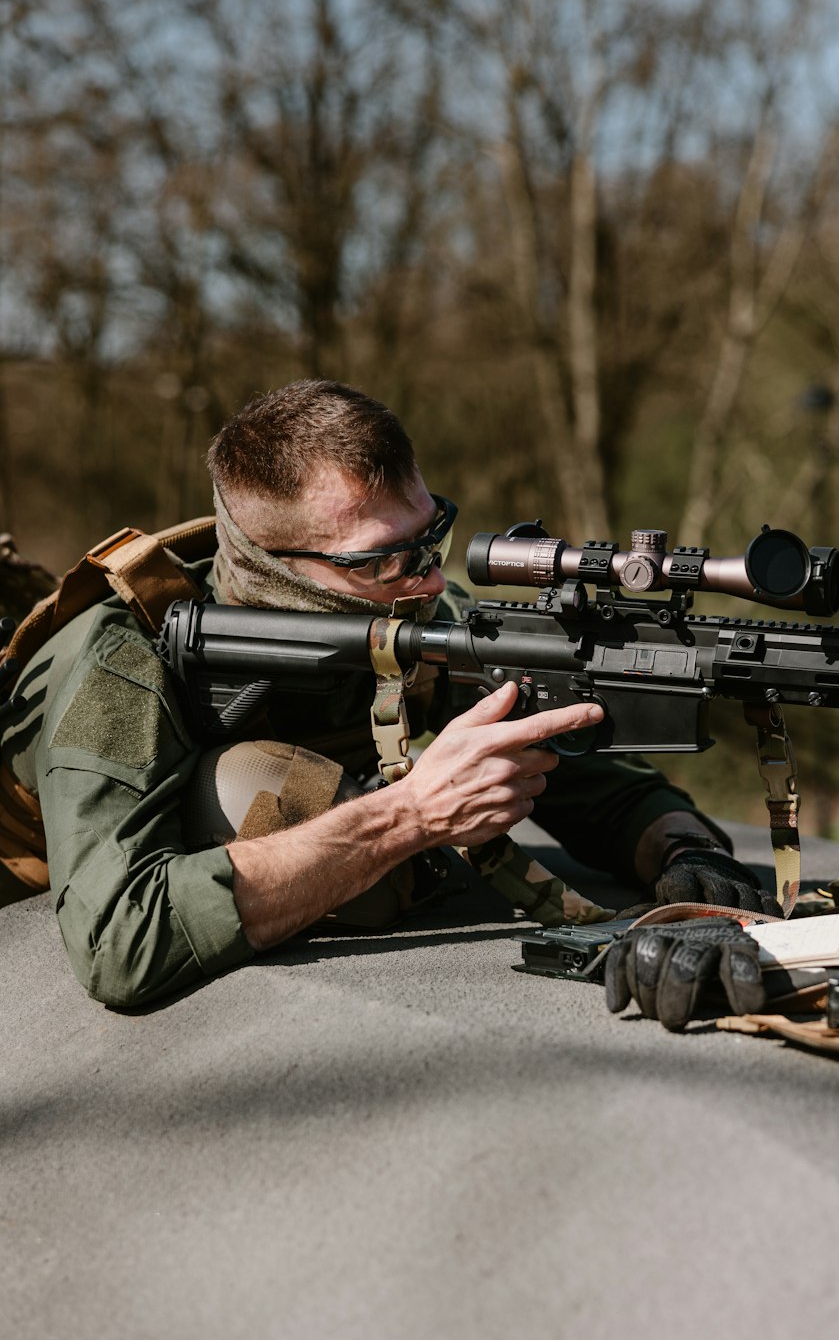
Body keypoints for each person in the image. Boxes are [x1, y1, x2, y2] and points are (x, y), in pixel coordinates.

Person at [0, 380, 775, 1009]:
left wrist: (682, 849)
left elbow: (575, 769)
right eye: (383, 560)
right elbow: (116, 944)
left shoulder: (413, 613)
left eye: (431, 536)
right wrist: (410, 815)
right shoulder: (122, 662)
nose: (433, 580)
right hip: (35, 868)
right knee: (251, 786)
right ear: (275, 569)